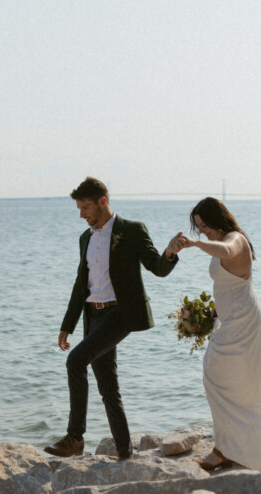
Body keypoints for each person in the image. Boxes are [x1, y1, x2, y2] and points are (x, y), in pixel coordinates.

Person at [45, 177, 183, 460]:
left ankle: (75, 437)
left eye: (85, 207)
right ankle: (125, 453)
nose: (81, 214)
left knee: (75, 361)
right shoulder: (85, 238)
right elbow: (80, 285)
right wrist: (66, 325)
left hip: (120, 314)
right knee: (109, 388)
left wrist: (169, 253)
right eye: (79, 208)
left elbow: (156, 267)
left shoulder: (131, 230)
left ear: (102, 202)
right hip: (93, 316)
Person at [173, 197, 261, 472]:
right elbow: (226, 287)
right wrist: (206, 316)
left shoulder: (235, 240)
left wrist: (195, 244)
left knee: (234, 383)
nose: (202, 231)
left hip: (245, 322)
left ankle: (229, 450)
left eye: (205, 225)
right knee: (220, 381)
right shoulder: (217, 241)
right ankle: (227, 447)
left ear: (217, 219)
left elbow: (227, 250)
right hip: (228, 319)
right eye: (198, 228)